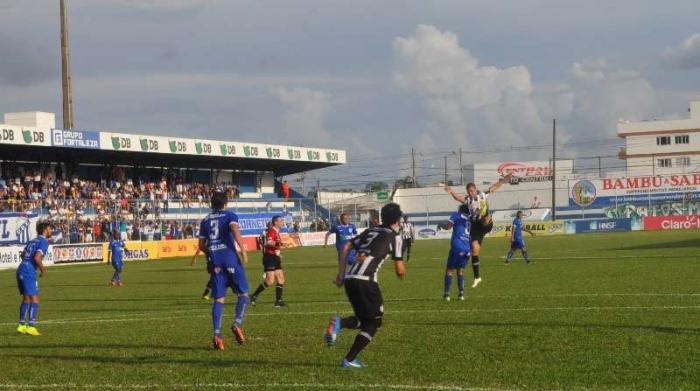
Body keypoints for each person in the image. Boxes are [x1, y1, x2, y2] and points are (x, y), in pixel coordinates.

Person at [323, 203, 405, 368]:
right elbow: (400, 270)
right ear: (397, 220)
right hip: (366, 281)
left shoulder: (370, 231)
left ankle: (347, 352)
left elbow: (346, 246)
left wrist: (341, 275)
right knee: (374, 323)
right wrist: (402, 272)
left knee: (365, 319)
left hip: (350, 279)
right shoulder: (396, 236)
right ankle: (347, 353)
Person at [198, 192, 250, 350]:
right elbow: (234, 230)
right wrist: (243, 249)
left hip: (215, 262)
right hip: (230, 258)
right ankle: (237, 324)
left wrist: (211, 252)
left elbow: (201, 245)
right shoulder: (230, 215)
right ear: (225, 203)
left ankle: (217, 335)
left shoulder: (205, 220)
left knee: (219, 299)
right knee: (243, 294)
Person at [444, 175, 510, 288]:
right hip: (475, 227)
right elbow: (458, 198)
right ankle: (477, 277)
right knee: (474, 249)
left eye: (472, 190)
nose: (471, 193)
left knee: (485, 218)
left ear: (475, 189)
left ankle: (484, 211)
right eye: (469, 191)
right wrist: (451, 192)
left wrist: (505, 180)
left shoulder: (482, 194)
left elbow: (495, 186)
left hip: (484, 224)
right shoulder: (468, 200)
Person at [16, 221, 52, 336]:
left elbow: (23, 255)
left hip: (21, 268)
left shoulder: (32, 240)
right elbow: (37, 257)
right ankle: (31, 327)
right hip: (28, 271)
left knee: (26, 299)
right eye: (50, 229)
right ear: (45, 230)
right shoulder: (43, 241)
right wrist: (43, 270)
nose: (51, 231)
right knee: (35, 299)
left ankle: (21, 325)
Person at [250, 215, 287, 307]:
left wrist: (278, 252)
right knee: (270, 281)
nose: (283, 222)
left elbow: (275, 245)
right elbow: (269, 242)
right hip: (269, 257)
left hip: (275, 257)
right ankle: (254, 295)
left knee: (281, 279)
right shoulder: (272, 231)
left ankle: (278, 301)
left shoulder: (277, 232)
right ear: (275, 222)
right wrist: (280, 243)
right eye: (281, 220)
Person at [437, 204, 472, 301]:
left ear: (460, 210)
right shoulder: (470, 219)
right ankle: (461, 294)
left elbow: (448, 227)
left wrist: (440, 224)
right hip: (467, 249)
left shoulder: (456, 215)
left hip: (457, 247)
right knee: (460, 271)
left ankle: (447, 295)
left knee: (449, 270)